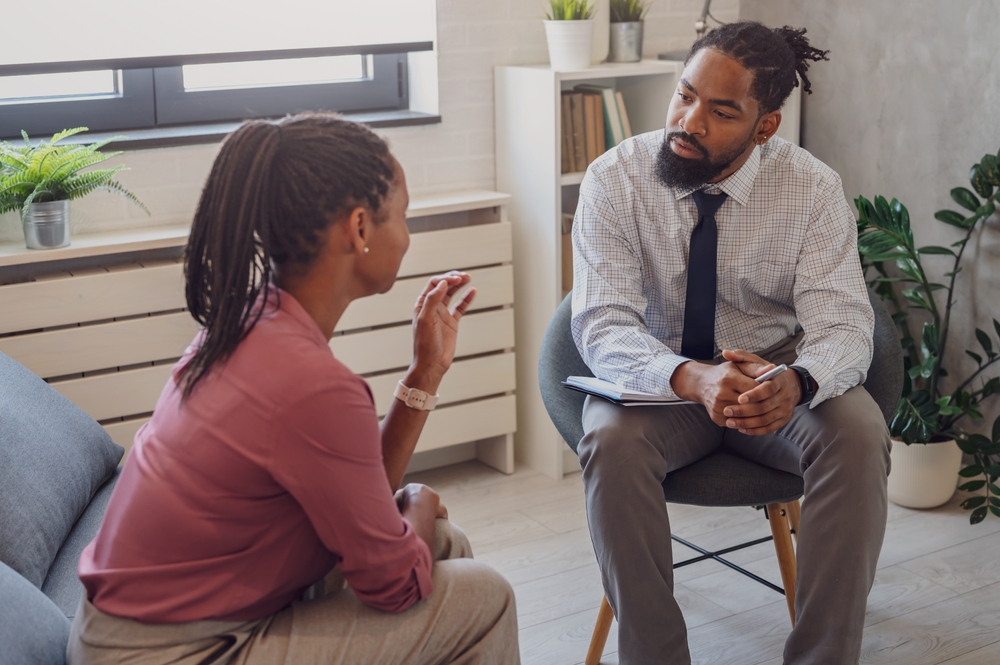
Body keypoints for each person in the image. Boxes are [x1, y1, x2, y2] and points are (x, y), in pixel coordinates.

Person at [69, 113, 520, 665]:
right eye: (403, 215)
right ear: (359, 229)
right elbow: (397, 584)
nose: (407, 234)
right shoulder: (311, 386)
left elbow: (360, 494)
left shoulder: (249, 320)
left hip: (150, 621)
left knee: (444, 544)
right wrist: (418, 501)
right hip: (162, 652)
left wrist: (425, 371)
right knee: (484, 596)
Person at [571, 21, 891, 665]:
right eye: (684, 95)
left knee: (857, 433)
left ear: (765, 126)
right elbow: (603, 321)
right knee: (609, 440)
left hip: (773, 383)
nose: (688, 122)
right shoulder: (616, 178)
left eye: (720, 112)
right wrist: (692, 377)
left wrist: (798, 381)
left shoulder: (813, 190)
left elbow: (843, 324)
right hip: (661, 382)